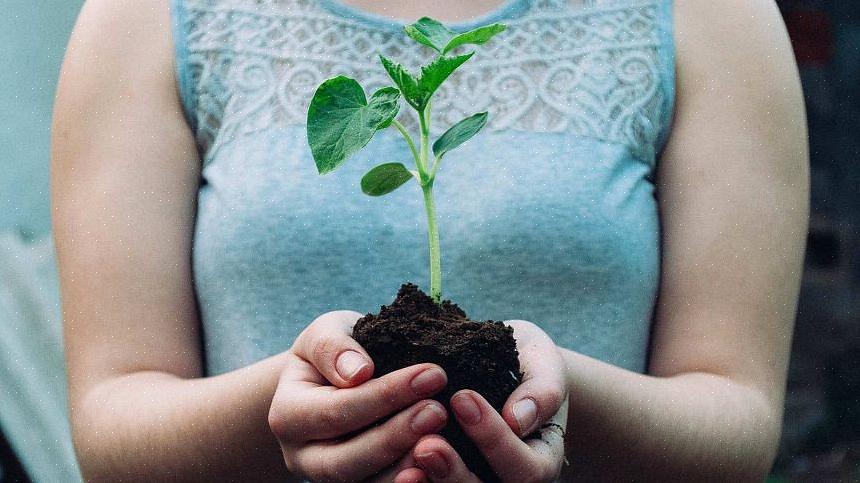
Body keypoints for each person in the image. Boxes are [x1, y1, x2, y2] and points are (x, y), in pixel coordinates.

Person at [50, 0, 808, 481]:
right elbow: (113, 424)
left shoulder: (714, 16)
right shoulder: (146, 16)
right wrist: (298, 401)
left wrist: (558, 390)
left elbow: (736, 419)